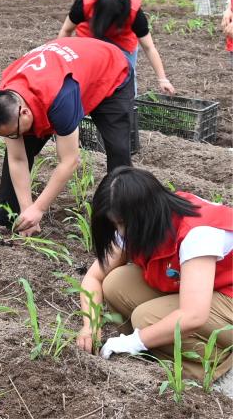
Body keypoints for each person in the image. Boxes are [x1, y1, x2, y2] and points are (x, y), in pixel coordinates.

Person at [77, 167, 232, 389]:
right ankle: (150, 350)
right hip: (203, 290)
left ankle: (216, 364)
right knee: (116, 282)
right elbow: (94, 277)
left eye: (122, 224)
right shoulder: (141, 220)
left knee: (146, 318)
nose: (119, 233)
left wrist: (135, 340)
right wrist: (90, 324)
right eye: (115, 225)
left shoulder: (198, 234)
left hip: (227, 296)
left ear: (143, 215)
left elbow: (194, 315)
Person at [0, 37, 133, 235]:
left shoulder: (60, 99)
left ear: (24, 112)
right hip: (66, 75)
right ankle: (6, 214)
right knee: (22, 146)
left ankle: (122, 216)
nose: (15, 137)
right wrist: (27, 212)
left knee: (118, 150)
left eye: (14, 133)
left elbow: (69, 161)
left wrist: (39, 208)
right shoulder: (5, 101)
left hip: (110, 70)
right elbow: (17, 158)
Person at [57, 0, 174, 95]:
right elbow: (66, 30)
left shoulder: (134, 12)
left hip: (123, 40)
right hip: (89, 35)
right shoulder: (85, 3)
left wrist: (162, 79)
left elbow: (149, 47)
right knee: (86, 73)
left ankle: (129, 108)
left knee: (125, 77)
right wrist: (59, 64)